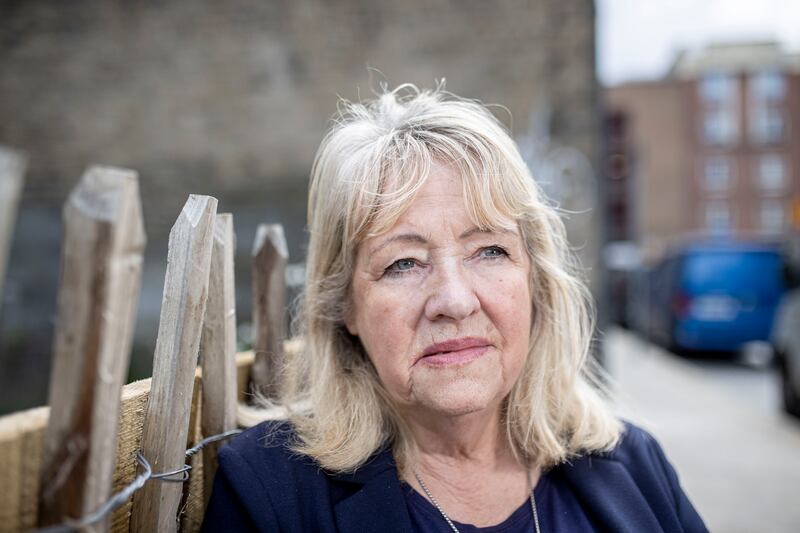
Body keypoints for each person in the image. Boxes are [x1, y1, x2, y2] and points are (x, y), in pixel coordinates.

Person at [201, 84, 707, 532]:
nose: (455, 301)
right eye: (403, 263)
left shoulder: (635, 464)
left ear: (533, 279)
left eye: (490, 251)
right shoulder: (269, 494)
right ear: (344, 306)